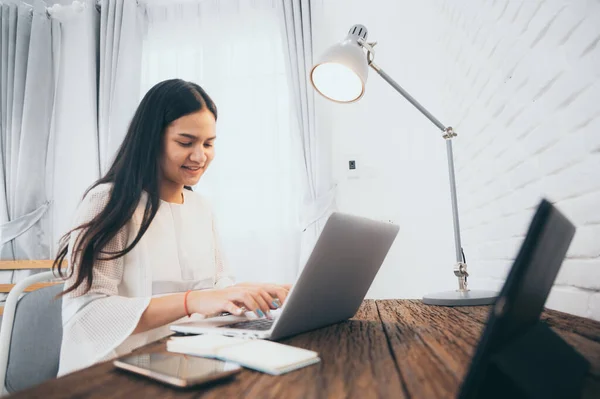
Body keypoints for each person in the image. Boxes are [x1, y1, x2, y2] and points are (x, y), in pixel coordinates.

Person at [53, 79, 291, 376]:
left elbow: (215, 289)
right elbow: (88, 316)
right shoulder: (108, 202)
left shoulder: (201, 208)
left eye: (208, 143)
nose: (200, 156)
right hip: (112, 372)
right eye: (186, 142)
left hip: (183, 362)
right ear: (151, 139)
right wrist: (192, 301)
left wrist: (246, 292)